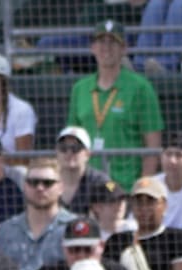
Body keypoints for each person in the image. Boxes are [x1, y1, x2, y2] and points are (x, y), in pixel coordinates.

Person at [68, 22, 164, 185]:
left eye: (113, 42)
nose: (107, 47)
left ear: (124, 48)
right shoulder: (80, 88)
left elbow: (153, 146)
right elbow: (72, 140)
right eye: (101, 41)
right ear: (92, 47)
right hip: (87, 186)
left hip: (126, 185)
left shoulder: (140, 87)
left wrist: (143, 187)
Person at [0, 159, 78, 270]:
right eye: (33, 182)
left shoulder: (75, 228)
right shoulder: (4, 230)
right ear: (24, 186)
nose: (40, 188)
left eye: (47, 183)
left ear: (61, 188)